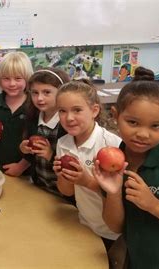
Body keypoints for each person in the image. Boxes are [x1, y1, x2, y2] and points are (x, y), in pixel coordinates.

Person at [93, 80, 159, 268]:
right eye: (133, 122)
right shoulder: (111, 165)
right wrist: (113, 193)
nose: (143, 134)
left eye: (155, 126)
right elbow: (115, 227)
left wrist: (153, 205)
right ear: (115, 115)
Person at [53, 80, 121, 250]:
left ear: (94, 110)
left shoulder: (111, 146)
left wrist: (86, 181)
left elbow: (118, 195)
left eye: (77, 110)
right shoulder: (63, 143)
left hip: (112, 232)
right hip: (84, 223)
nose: (69, 118)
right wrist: (64, 176)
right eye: (62, 111)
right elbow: (67, 191)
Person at [19, 68, 71, 199]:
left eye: (47, 92)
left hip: (64, 194)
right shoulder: (32, 118)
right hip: (40, 187)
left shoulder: (68, 124)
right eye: (35, 93)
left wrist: (50, 155)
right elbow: (32, 157)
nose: (39, 98)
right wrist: (24, 150)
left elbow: (71, 163)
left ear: (62, 93)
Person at [0, 51, 32, 176]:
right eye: (6, 78)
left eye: (18, 78)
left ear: (27, 78)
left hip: (27, 171)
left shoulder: (33, 105)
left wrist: (21, 166)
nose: (12, 84)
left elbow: (37, 141)